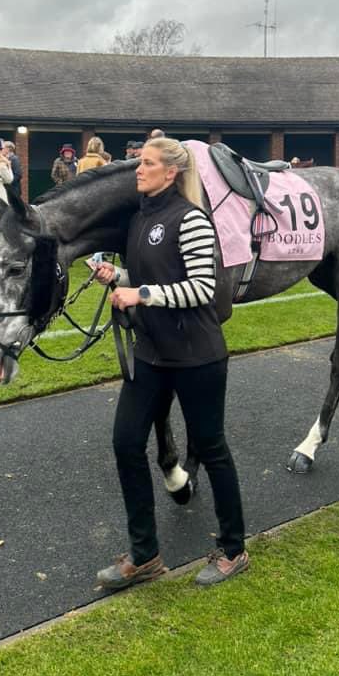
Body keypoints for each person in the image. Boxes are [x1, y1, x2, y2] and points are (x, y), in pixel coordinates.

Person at [91, 136, 248, 589]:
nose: (138, 170)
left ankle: (234, 550)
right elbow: (149, 278)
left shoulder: (192, 218)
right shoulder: (140, 218)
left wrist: (139, 294)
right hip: (151, 353)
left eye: (147, 164)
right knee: (125, 443)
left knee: (212, 449)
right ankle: (144, 556)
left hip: (196, 355)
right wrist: (117, 277)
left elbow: (201, 287)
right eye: (140, 163)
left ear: (171, 173)